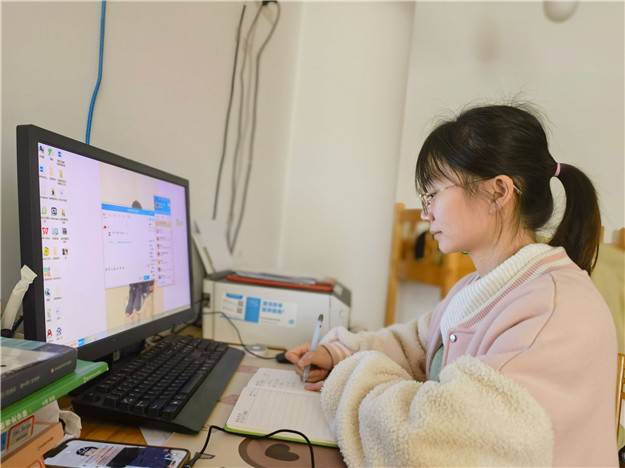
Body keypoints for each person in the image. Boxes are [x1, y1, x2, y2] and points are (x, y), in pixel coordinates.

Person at [285, 103, 618, 467]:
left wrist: (349, 376)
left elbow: (426, 444)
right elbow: (417, 344)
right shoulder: (480, 286)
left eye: (433, 194)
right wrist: (340, 352)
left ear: (498, 192)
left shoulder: (555, 313)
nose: (425, 212)